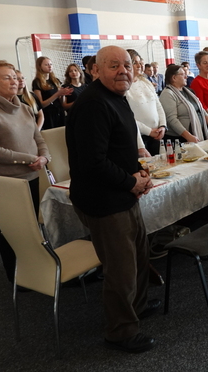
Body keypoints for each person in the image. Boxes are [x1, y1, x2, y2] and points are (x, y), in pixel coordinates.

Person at [66, 45, 158, 353]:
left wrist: (137, 173)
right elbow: (93, 162)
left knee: (140, 255)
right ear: (95, 70)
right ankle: (121, 331)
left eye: (127, 65)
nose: (123, 71)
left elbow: (118, 148)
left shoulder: (116, 97)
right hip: (104, 201)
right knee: (121, 270)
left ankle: (137, 306)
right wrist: (131, 182)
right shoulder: (93, 104)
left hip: (122, 194)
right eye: (114, 65)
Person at [0, 61, 49, 282]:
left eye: (15, 77)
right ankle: (17, 275)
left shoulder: (23, 107)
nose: (14, 81)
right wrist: (31, 159)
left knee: (32, 226)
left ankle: (36, 265)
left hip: (31, 175)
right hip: (4, 182)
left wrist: (45, 157)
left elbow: (38, 138)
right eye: (7, 77)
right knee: (10, 228)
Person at [159, 64, 208, 142]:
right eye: (182, 74)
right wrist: (188, 136)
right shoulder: (167, 94)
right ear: (174, 78)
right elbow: (172, 120)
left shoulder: (189, 92)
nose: (186, 77)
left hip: (196, 134)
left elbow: (201, 110)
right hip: (181, 139)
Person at [126, 57, 166, 155]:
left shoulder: (146, 82)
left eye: (140, 63)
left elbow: (158, 105)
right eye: (135, 63)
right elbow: (127, 117)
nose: (139, 66)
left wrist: (163, 125)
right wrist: (149, 131)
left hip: (157, 134)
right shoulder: (125, 87)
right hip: (139, 137)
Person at [32, 56, 72, 130]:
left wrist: (63, 94)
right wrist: (57, 94)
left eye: (51, 64)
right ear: (40, 66)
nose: (50, 66)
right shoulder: (37, 82)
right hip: (48, 114)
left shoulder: (55, 80)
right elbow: (41, 104)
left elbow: (61, 102)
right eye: (46, 65)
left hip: (59, 112)